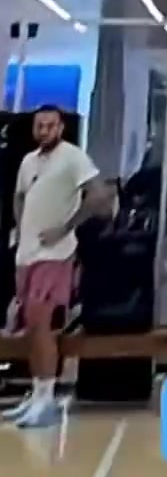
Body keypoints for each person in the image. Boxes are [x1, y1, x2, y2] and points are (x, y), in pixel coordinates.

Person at [5, 105, 108, 428]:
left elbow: (99, 195)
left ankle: (47, 398)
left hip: (55, 255)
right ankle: (37, 394)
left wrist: (65, 227)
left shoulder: (73, 158)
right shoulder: (28, 161)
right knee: (30, 328)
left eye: (50, 125)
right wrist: (23, 229)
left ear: (61, 128)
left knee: (42, 323)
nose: (44, 131)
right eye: (39, 125)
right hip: (27, 254)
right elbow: (20, 197)